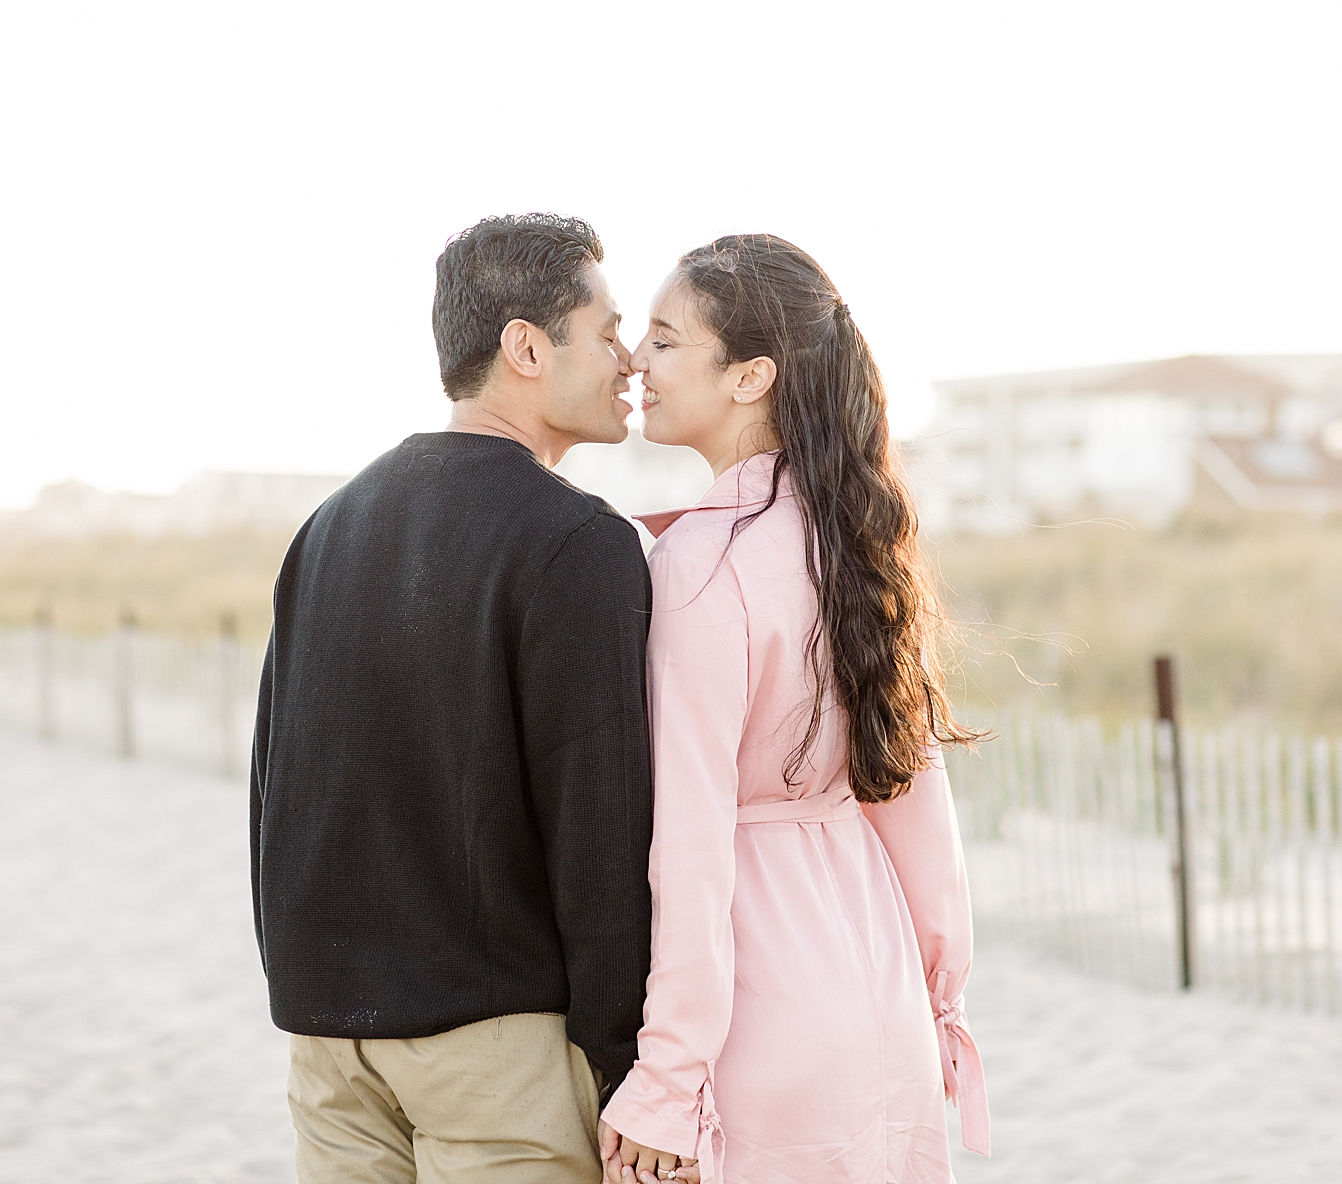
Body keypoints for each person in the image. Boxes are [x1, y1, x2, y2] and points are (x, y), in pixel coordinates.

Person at [251, 213, 655, 1184]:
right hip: (496, 1049)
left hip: (328, 1040)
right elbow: (599, 831)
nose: (631, 357)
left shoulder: (331, 523)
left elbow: (275, 784)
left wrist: (305, 992)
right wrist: (628, 1067)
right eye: (606, 331)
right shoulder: (576, 541)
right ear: (526, 346)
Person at [599, 234, 991, 1184]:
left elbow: (689, 847)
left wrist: (666, 1079)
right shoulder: (858, 538)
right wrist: (940, 994)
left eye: (664, 340)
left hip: (760, 1002)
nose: (633, 364)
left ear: (751, 376)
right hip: (884, 985)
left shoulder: (701, 568)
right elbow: (911, 791)